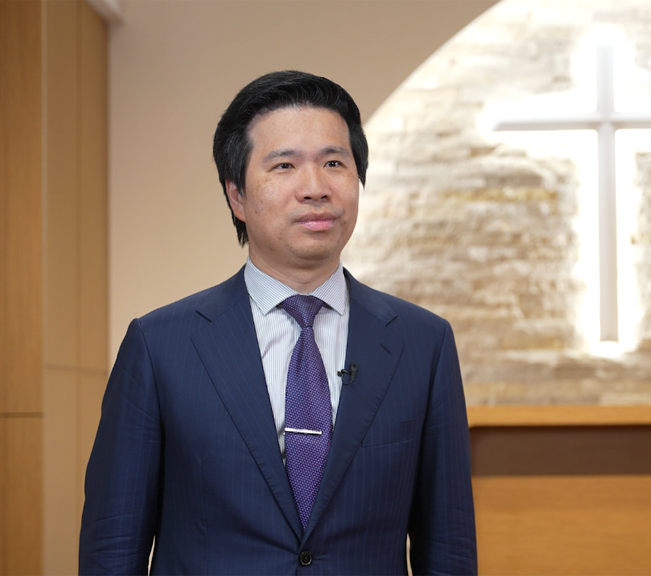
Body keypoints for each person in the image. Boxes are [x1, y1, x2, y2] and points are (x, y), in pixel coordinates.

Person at [79, 70, 477, 575]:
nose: (315, 188)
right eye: (284, 165)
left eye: (334, 163)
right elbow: (114, 548)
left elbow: (449, 550)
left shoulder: (423, 343)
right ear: (237, 196)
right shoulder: (160, 346)